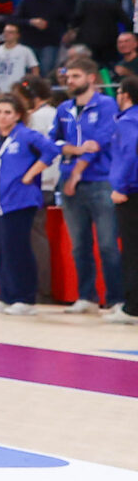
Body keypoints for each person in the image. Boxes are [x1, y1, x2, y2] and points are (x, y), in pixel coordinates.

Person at [52, 52, 120, 312]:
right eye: (68, 76)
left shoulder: (107, 105)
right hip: (70, 182)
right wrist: (75, 149)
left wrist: (78, 168)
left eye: (76, 76)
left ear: (91, 78)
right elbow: (53, 141)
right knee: (79, 245)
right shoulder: (63, 109)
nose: (70, 80)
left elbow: (101, 141)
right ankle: (87, 296)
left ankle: (116, 299)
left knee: (107, 244)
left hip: (101, 182)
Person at [0, 94, 55, 315]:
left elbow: (51, 150)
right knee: (2, 249)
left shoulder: (26, 135)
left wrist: (30, 174)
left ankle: (25, 298)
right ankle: (6, 296)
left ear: (17, 115)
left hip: (19, 201)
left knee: (18, 249)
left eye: (8, 112)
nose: (2, 117)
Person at [110, 64, 138, 324]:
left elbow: (129, 154)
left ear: (125, 95)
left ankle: (132, 308)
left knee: (131, 250)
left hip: (131, 192)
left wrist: (121, 186)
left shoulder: (128, 121)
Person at [0, 22, 36, 94]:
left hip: (15, 90)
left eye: (10, 32)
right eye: (5, 32)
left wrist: (29, 85)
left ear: (17, 35)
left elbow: (34, 68)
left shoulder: (25, 50)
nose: (6, 34)